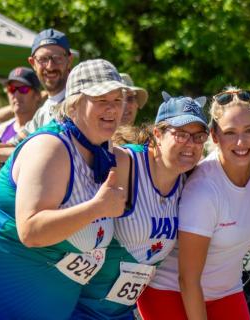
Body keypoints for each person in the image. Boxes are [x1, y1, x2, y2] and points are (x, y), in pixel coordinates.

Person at [0, 59, 129, 318]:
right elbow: (31, 231)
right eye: (101, 99)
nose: (112, 108)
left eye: (117, 99)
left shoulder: (105, 152)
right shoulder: (51, 147)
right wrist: (97, 208)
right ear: (74, 103)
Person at [137, 88, 250, 320]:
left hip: (226, 291)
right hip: (171, 290)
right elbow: (188, 280)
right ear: (214, 137)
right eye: (230, 132)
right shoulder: (203, 190)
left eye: (249, 130)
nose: (241, 142)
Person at [72, 91, 209, 319]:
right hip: (77, 305)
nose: (191, 144)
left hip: (121, 311)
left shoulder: (189, 181)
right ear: (157, 133)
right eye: (181, 134)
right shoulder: (125, 163)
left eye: (198, 137)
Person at [0, 28, 73, 161]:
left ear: (69, 60)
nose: (50, 66)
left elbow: (49, 154)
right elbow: (15, 142)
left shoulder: (78, 102)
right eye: (43, 59)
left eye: (57, 58)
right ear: (33, 63)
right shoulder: (44, 110)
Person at [0, 67, 42, 143]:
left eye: (23, 89)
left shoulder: (45, 128)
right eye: (11, 89)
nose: (16, 94)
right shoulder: (1, 131)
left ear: (37, 95)